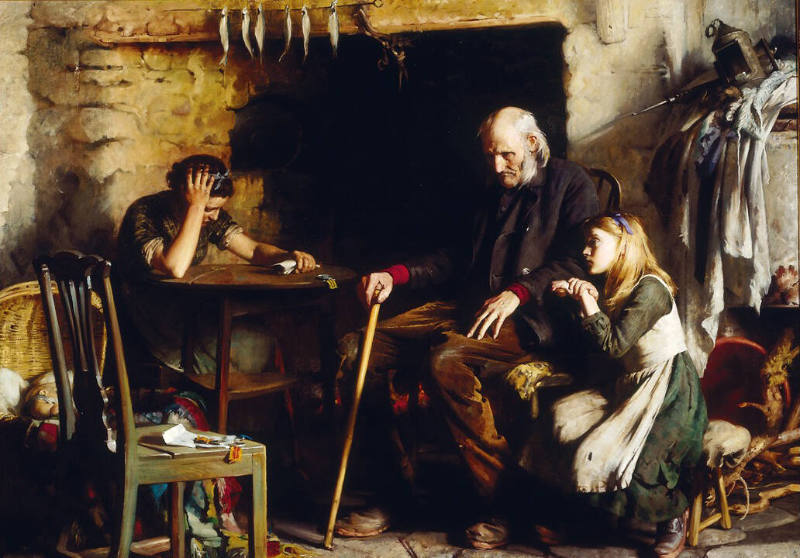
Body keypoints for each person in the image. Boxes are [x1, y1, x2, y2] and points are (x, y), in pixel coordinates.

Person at [334, 107, 600, 546]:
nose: (497, 166)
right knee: (356, 349)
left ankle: (506, 504)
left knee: (445, 361)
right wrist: (395, 274)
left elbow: (579, 261)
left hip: (533, 318)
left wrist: (520, 291)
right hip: (466, 308)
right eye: (491, 156)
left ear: (533, 144)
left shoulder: (572, 184)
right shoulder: (491, 189)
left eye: (506, 155)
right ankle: (392, 494)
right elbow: (454, 257)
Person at [534, 212, 708, 558]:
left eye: (594, 242)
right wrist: (575, 299)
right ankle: (586, 516)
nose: (585, 251)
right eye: (586, 242)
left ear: (623, 246)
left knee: (624, 460)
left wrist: (585, 302)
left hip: (669, 391)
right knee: (561, 418)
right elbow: (599, 346)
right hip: (628, 388)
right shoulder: (613, 284)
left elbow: (613, 345)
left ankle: (674, 515)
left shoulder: (651, 288)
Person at [116, 154, 317, 376]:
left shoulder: (208, 214)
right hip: (147, 319)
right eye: (209, 209)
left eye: (218, 208)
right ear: (183, 195)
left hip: (185, 311)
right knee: (235, 350)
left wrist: (288, 255)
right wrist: (196, 207)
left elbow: (252, 250)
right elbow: (175, 267)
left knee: (259, 341)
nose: (214, 217)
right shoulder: (145, 213)